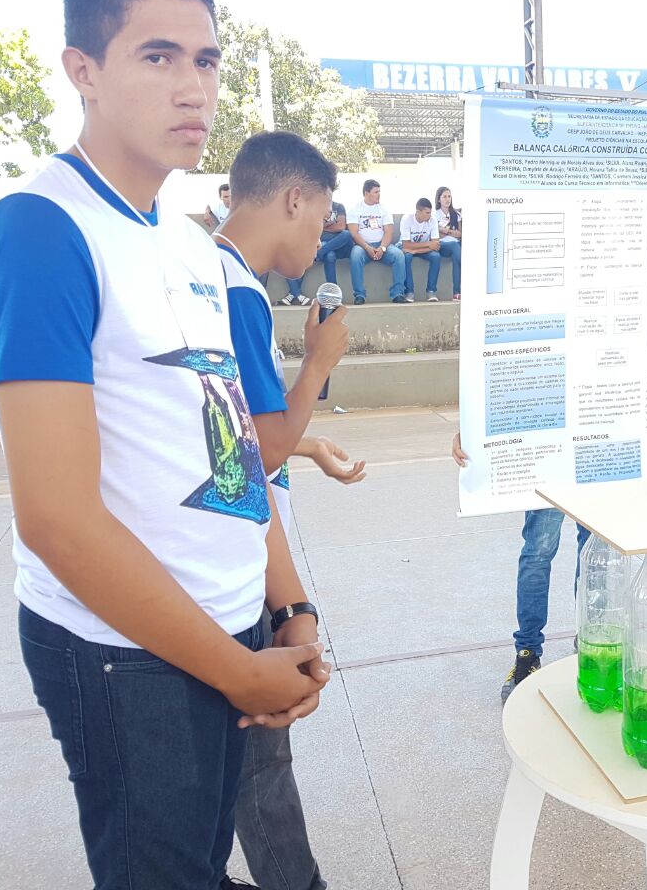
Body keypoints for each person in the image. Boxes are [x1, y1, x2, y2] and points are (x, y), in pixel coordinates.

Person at [0, 0, 327, 888]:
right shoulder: (39, 230)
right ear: (82, 69)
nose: (192, 88)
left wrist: (288, 606)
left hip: (233, 623)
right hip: (126, 655)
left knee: (203, 866)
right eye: (157, 57)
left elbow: (236, 455)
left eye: (205, 61)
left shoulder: (191, 246)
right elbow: (56, 518)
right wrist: (232, 669)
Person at [216, 130, 368, 890]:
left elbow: (233, 438)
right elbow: (257, 451)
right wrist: (319, 364)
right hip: (233, 569)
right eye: (322, 217)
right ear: (293, 198)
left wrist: (306, 446)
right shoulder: (238, 291)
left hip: (234, 555)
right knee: (259, 763)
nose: (322, 236)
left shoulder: (205, 273)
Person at [450, 433, 591, 701]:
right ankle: (528, 652)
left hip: (594, 451)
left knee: (595, 555)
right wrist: (467, 431)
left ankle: (592, 640)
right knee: (537, 554)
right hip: (548, 457)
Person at [348, 178, 406, 304]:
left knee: (399, 255)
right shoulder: (355, 209)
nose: (379, 194)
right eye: (376, 192)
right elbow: (354, 233)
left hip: (382, 245)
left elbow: (388, 232)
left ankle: (398, 293)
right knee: (355, 256)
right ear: (366, 193)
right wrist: (367, 248)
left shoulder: (384, 209)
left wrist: (382, 248)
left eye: (379, 192)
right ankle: (359, 295)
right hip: (362, 246)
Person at [399, 196, 442, 302]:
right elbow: (406, 245)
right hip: (407, 248)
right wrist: (428, 244)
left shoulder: (432, 220)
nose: (430, 215)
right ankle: (409, 292)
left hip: (422, 249)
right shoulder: (407, 219)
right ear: (418, 212)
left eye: (430, 212)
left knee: (436, 257)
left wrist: (416, 251)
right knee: (407, 257)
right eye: (427, 213)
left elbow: (436, 245)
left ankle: (431, 291)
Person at [316, 199, 353, 288]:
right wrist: (331, 223)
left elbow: (341, 227)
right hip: (324, 243)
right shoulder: (315, 208)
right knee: (329, 255)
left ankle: (319, 253)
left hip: (340, 243)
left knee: (347, 234)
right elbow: (314, 227)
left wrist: (323, 226)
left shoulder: (338, 207)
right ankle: (333, 290)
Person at [435, 185, 463, 300]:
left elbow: (460, 234)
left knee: (456, 255)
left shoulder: (456, 214)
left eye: (449, 196)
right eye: (444, 197)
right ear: (439, 199)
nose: (447, 199)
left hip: (456, 245)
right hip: (442, 246)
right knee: (455, 246)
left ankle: (456, 293)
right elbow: (436, 235)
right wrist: (451, 232)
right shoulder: (434, 215)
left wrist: (446, 231)